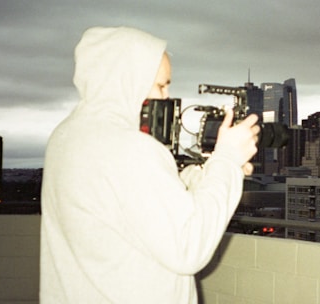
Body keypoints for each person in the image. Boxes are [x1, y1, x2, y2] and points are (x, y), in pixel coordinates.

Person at [39, 26, 260, 303]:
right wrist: (227, 159)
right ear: (129, 80)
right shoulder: (129, 148)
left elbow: (138, 203)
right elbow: (189, 248)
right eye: (161, 85)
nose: (165, 97)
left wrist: (210, 172)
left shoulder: (67, 136)